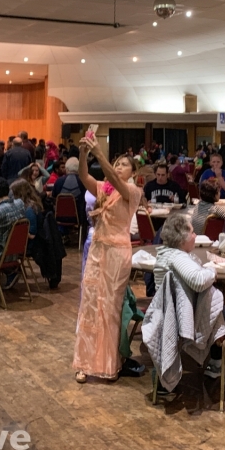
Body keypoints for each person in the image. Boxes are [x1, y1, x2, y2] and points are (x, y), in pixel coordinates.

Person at [153, 212, 225, 394]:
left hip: (173, 315)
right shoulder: (177, 257)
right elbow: (197, 279)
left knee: (218, 310)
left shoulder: (165, 254)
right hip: (187, 319)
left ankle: (216, 365)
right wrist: (212, 271)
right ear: (182, 238)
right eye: (192, 232)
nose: (195, 235)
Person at [73, 137, 142, 383]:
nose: (120, 167)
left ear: (133, 172)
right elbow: (83, 176)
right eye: (118, 163)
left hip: (117, 253)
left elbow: (112, 177)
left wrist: (100, 154)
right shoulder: (105, 188)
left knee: (110, 309)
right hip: (98, 250)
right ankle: (84, 362)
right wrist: (83, 154)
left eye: (125, 165)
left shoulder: (132, 191)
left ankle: (110, 363)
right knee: (90, 306)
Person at [52, 157, 88, 230]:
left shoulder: (59, 181)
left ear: (66, 169)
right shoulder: (83, 182)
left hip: (59, 216)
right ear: (78, 169)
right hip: (78, 217)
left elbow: (53, 197)